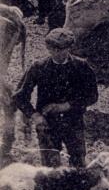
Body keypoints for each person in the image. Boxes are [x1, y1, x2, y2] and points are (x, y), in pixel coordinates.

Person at [13, 28, 98, 167]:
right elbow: (19, 96)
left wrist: (67, 105)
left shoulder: (81, 66)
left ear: (70, 47)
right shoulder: (39, 67)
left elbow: (92, 95)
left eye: (62, 49)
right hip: (47, 125)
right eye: (53, 49)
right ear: (48, 48)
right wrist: (35, 116)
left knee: (79, 166)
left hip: (74, 122)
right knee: (50, 171)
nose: (58, 53)